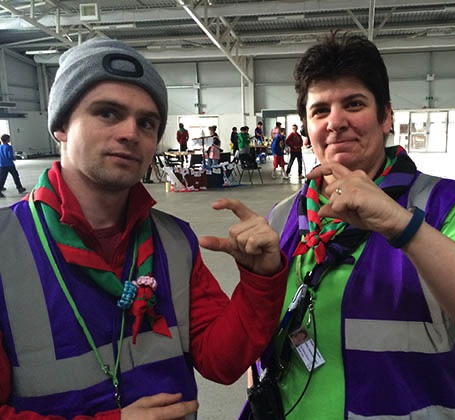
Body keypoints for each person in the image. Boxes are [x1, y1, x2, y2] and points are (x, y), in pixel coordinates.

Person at [242, 33, 455, 419]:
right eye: (320, 110)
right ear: (307, 128)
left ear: (386, 117)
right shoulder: (284, 217)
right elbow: (263, 333)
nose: (335, 122)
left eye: (354, 104)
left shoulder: (446, 206)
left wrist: (401, 225)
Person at [0, 36, 288, 419]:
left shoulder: (174, 241)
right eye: (107, 113)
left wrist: (261, 280)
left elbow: (222, 361)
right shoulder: (7, 247)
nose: (130, 133)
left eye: (147, 122)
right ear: (61, 126)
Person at [0, 134, 26, 198]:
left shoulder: (0, 147)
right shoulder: (9, 147)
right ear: (7, 140)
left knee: (2, 178)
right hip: (10, 165)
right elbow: (9, 156)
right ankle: (19, 188)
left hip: (2, 165)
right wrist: (14, 158)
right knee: (15, 176)